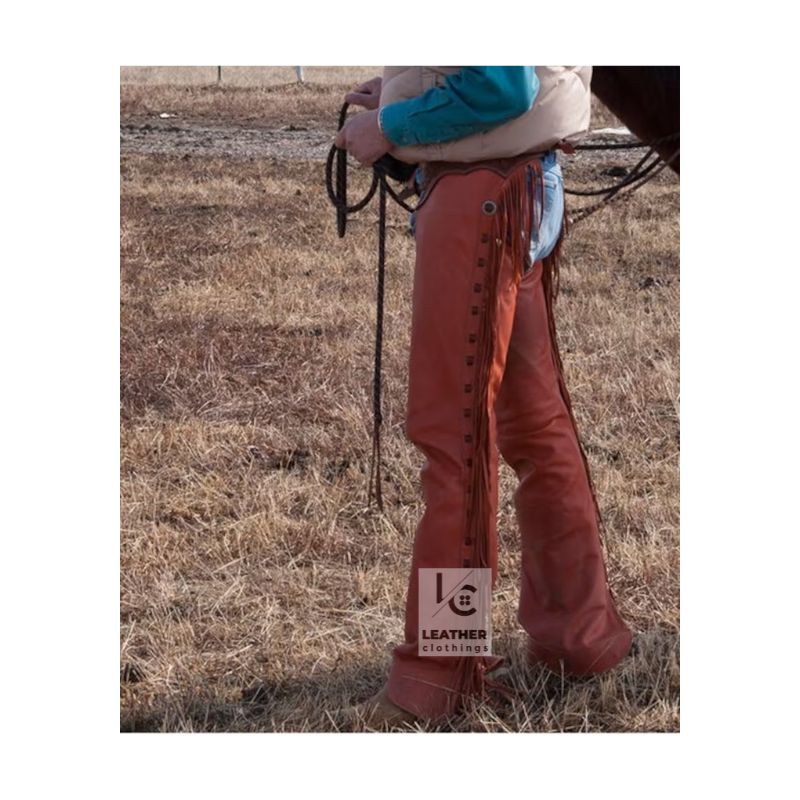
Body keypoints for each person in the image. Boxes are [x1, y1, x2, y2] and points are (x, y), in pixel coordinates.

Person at [334, 67, 633, 727]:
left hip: (480, 199)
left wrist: (388, 124)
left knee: (454, 445)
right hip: (518, 184)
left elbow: (499, 86)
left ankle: (440, 672)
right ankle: (581, 638)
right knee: (536, 427)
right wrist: (406, 87)